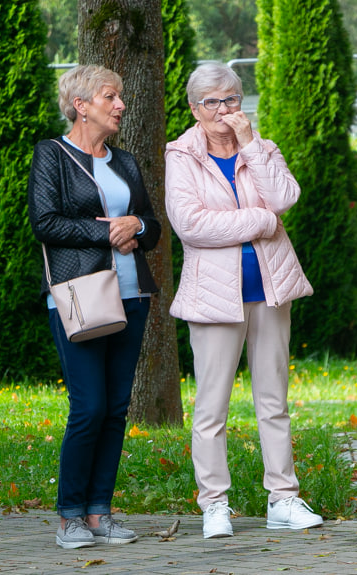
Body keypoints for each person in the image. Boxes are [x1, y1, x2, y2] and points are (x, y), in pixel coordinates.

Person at [164, 63, 323, 539]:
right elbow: (191, 224)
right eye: (211, 102)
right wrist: (259, 221)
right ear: (195, 109)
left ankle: (284, 498)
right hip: (214, 300)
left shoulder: (262, 148)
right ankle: (214, 504)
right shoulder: (180, 156)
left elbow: (286, 196)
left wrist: (252, 144)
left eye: (231, 99)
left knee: (273, 401)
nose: (223, 110)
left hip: (271, 292)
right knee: (211, 408)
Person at [28, 65, 161, 548]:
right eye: (111, 96)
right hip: (79, 296)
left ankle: (100, 513)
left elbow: (152, 224)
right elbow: (45, 222)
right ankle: (69, 517)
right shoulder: (53, 155)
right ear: (81, 105)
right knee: (89, 407)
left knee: (117, 409)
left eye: (121, 96)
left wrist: (138, 228)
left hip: (132, 295)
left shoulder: (124, 162)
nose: (121, 104)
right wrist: (108, 229)